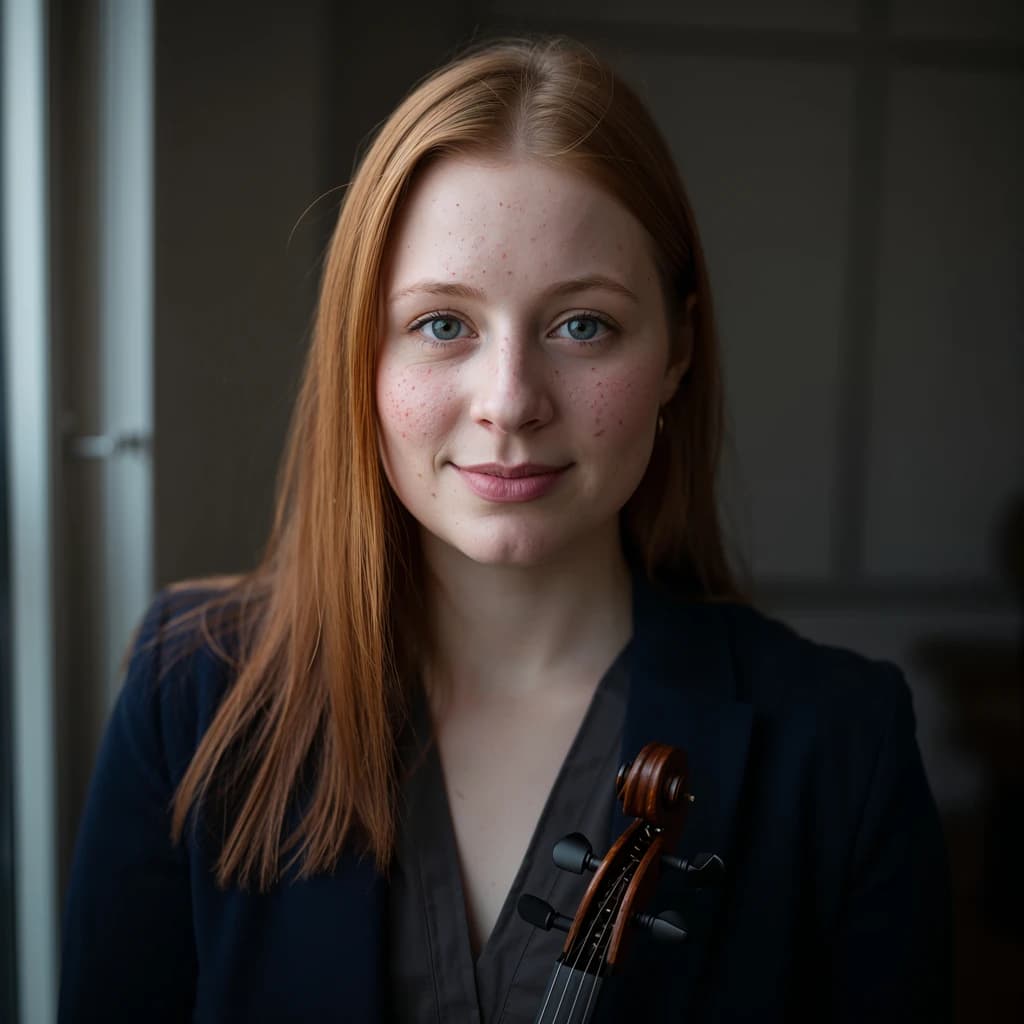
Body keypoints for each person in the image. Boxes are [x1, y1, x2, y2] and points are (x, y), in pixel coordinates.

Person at [59, 36, 951, 1023]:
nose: (511, 402)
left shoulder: (841, 746)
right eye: (443, 324)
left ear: (678, 351)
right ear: (363, 352)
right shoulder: (190, 689)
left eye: (583, 325)